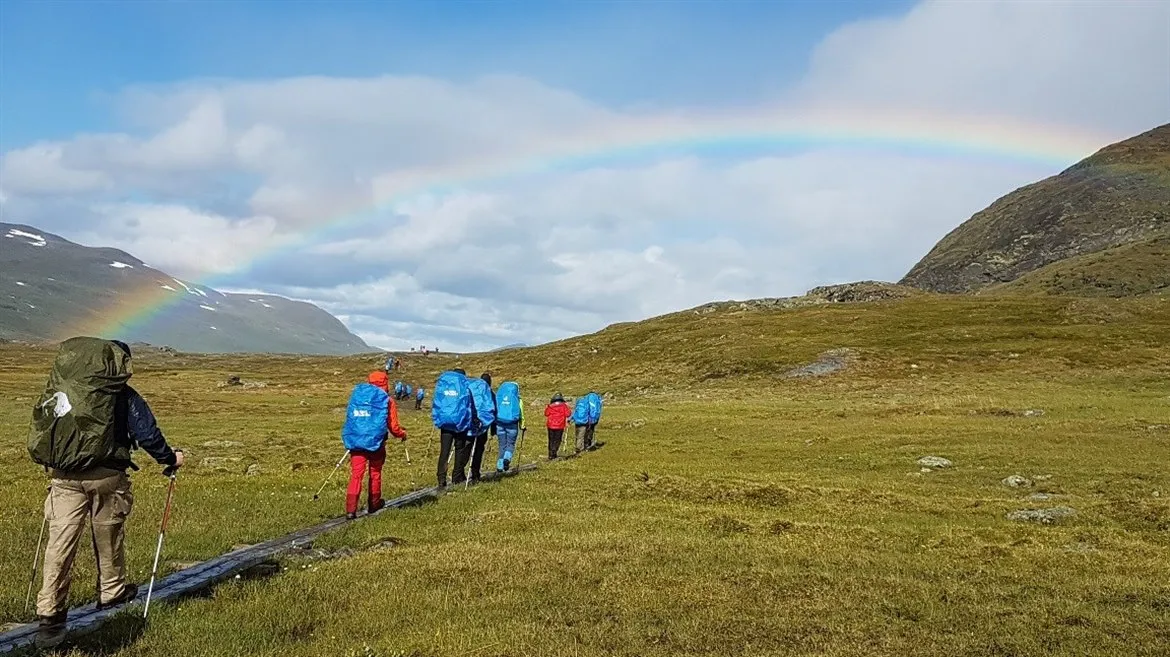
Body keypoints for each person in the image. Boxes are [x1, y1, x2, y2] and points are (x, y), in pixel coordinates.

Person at [27, 338, 185, 649]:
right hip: (107, 476)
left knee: (60, 542)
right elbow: (147, 434)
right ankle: (111, 591)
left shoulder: (62, 390)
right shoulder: (122, 395)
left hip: (63, 477)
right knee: (108, 533)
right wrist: (170, 458)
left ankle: (49, 616)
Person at [342, 371, 407, 520]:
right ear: (385, 382)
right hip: (376, 443)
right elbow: (394, 427)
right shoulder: (387, 400)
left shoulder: (358, 395)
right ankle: (374, 504)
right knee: (375, 473)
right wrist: (402, 434)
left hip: (356, 442)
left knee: (356, 476)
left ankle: (350, 510)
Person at [433, 369, 475, 487]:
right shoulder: (464, 385)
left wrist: (437, 418)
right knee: (459, 449)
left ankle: (441, 479)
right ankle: (456, 477)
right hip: (460, 422)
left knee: (444, 451)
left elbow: (437, 402)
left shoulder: (445, 384)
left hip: (445, 422)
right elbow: (470, 405)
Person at [466, 372, 497, 483]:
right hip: (483, 425)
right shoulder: (490, 393)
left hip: (470, 423)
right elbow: (494, 410)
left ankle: (459, 474)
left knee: (467, 447)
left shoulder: (472, 389)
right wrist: (494, 428)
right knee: (478, 449)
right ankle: (475, 474)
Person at [494, 381, 525, 472]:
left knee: (502, 445)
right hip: (512, 424)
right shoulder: (518, 400)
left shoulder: (500, 397)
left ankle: (500, 465)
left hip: (499, 423)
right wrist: (522, 425)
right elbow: (521, 414)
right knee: (510, 444)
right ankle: (507, 458)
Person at [544, 393, 572, 460]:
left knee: (551, 440)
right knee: (557, 440)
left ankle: (550, 454)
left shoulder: (550, 406)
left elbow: (546, 413)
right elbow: (568, 414)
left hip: (550, 425)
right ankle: (554, 452)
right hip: (560, 426)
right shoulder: (564, 406)